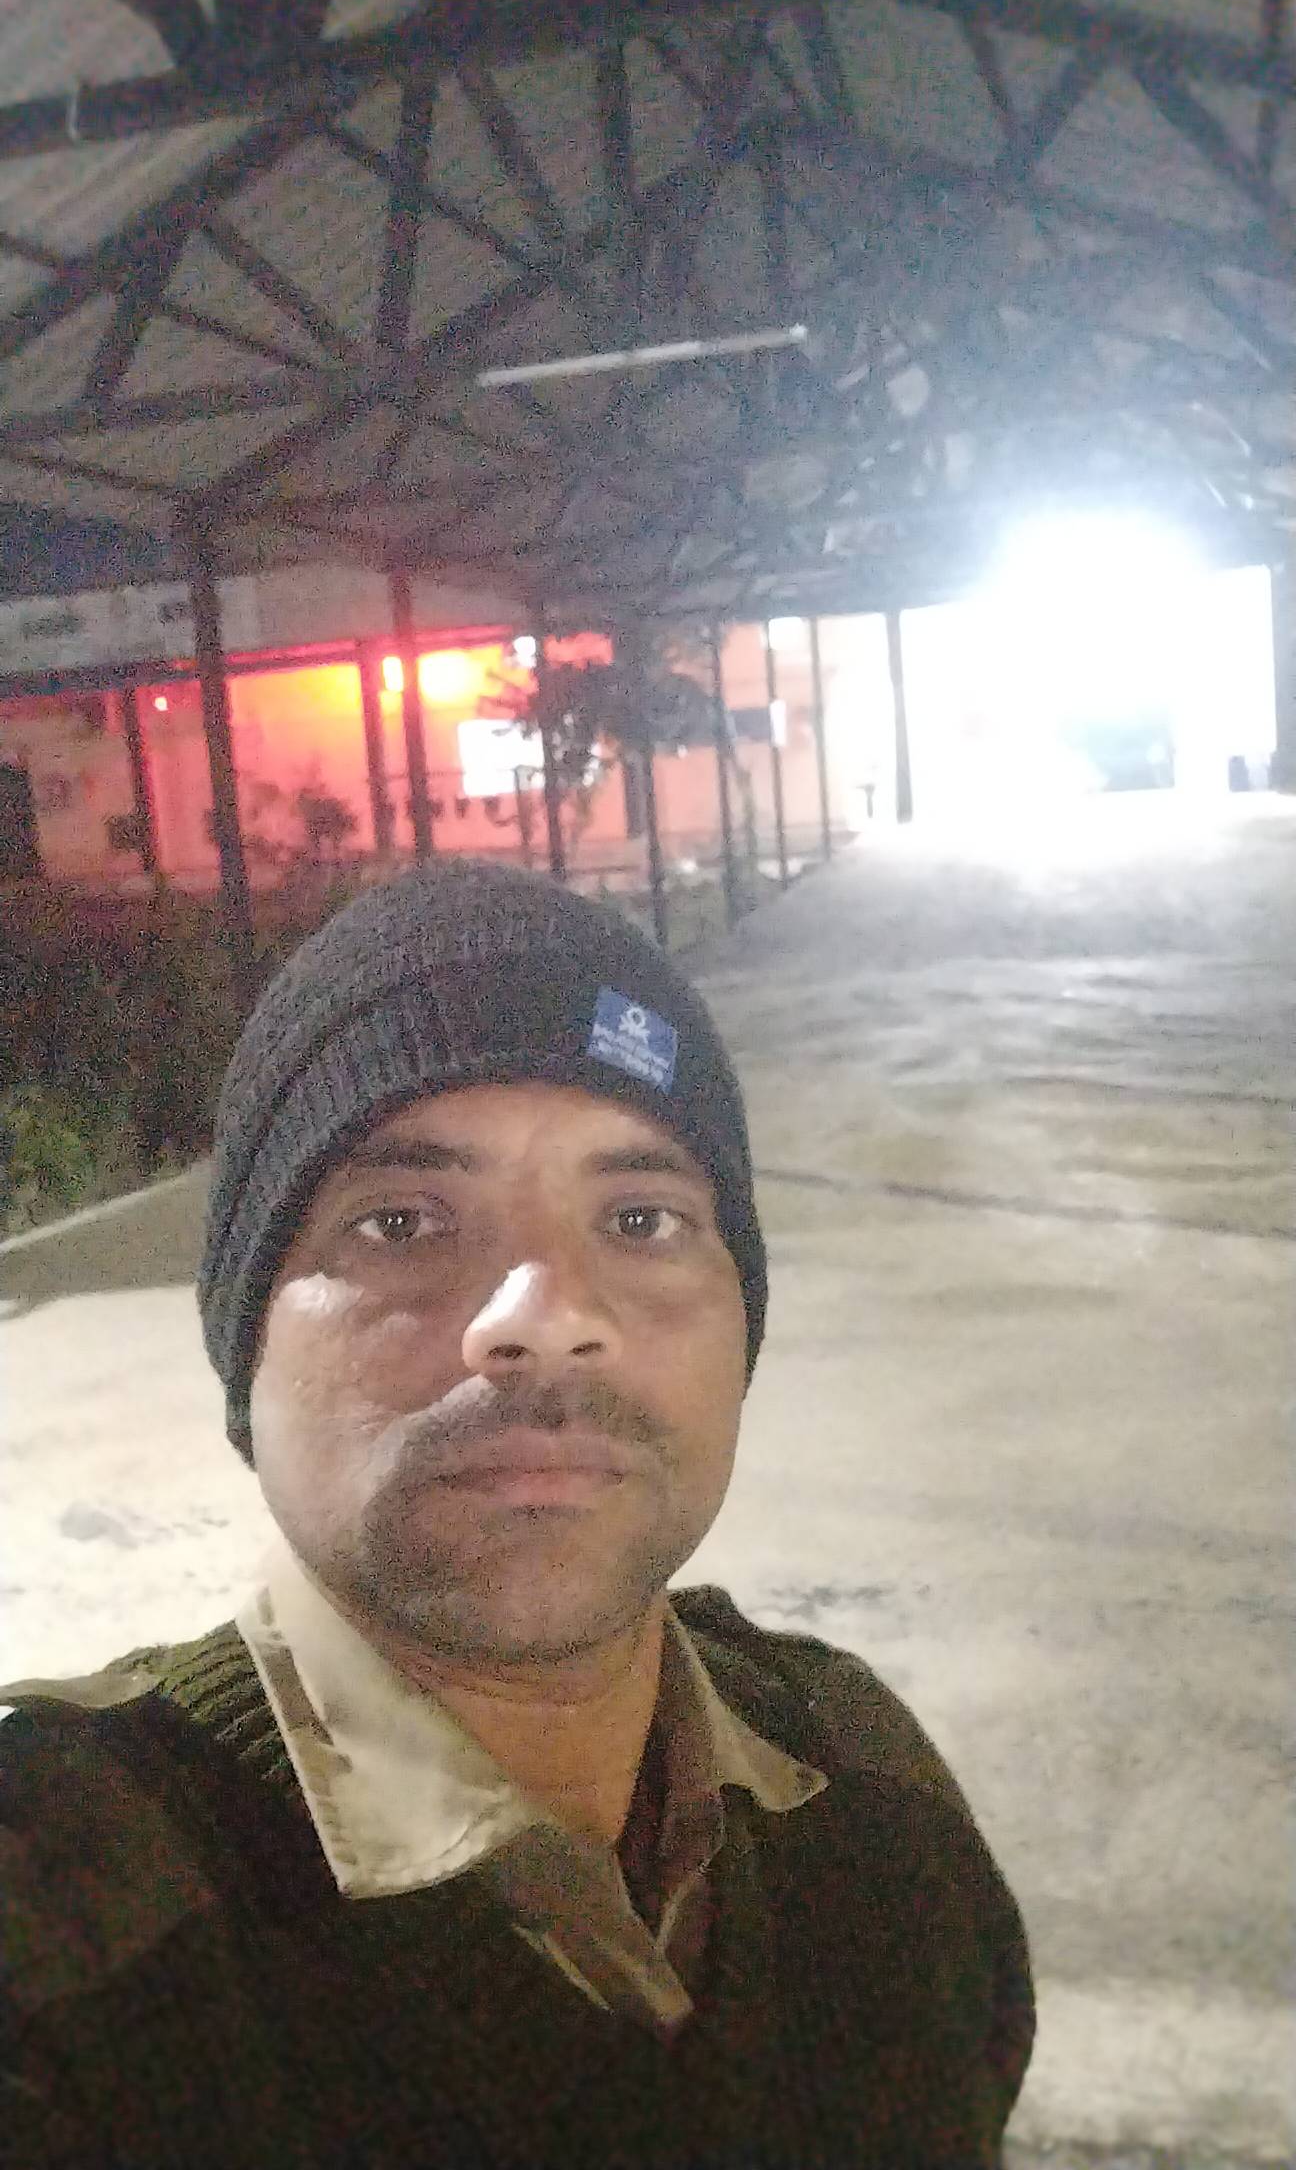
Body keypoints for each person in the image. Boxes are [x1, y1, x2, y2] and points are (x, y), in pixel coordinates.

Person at [1, 860, 1034, 2168]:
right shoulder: (57, 1910)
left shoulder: (864, 1784)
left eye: (642, 1218)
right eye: (400, 1222)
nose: (544, 1317)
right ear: (246, 1344)